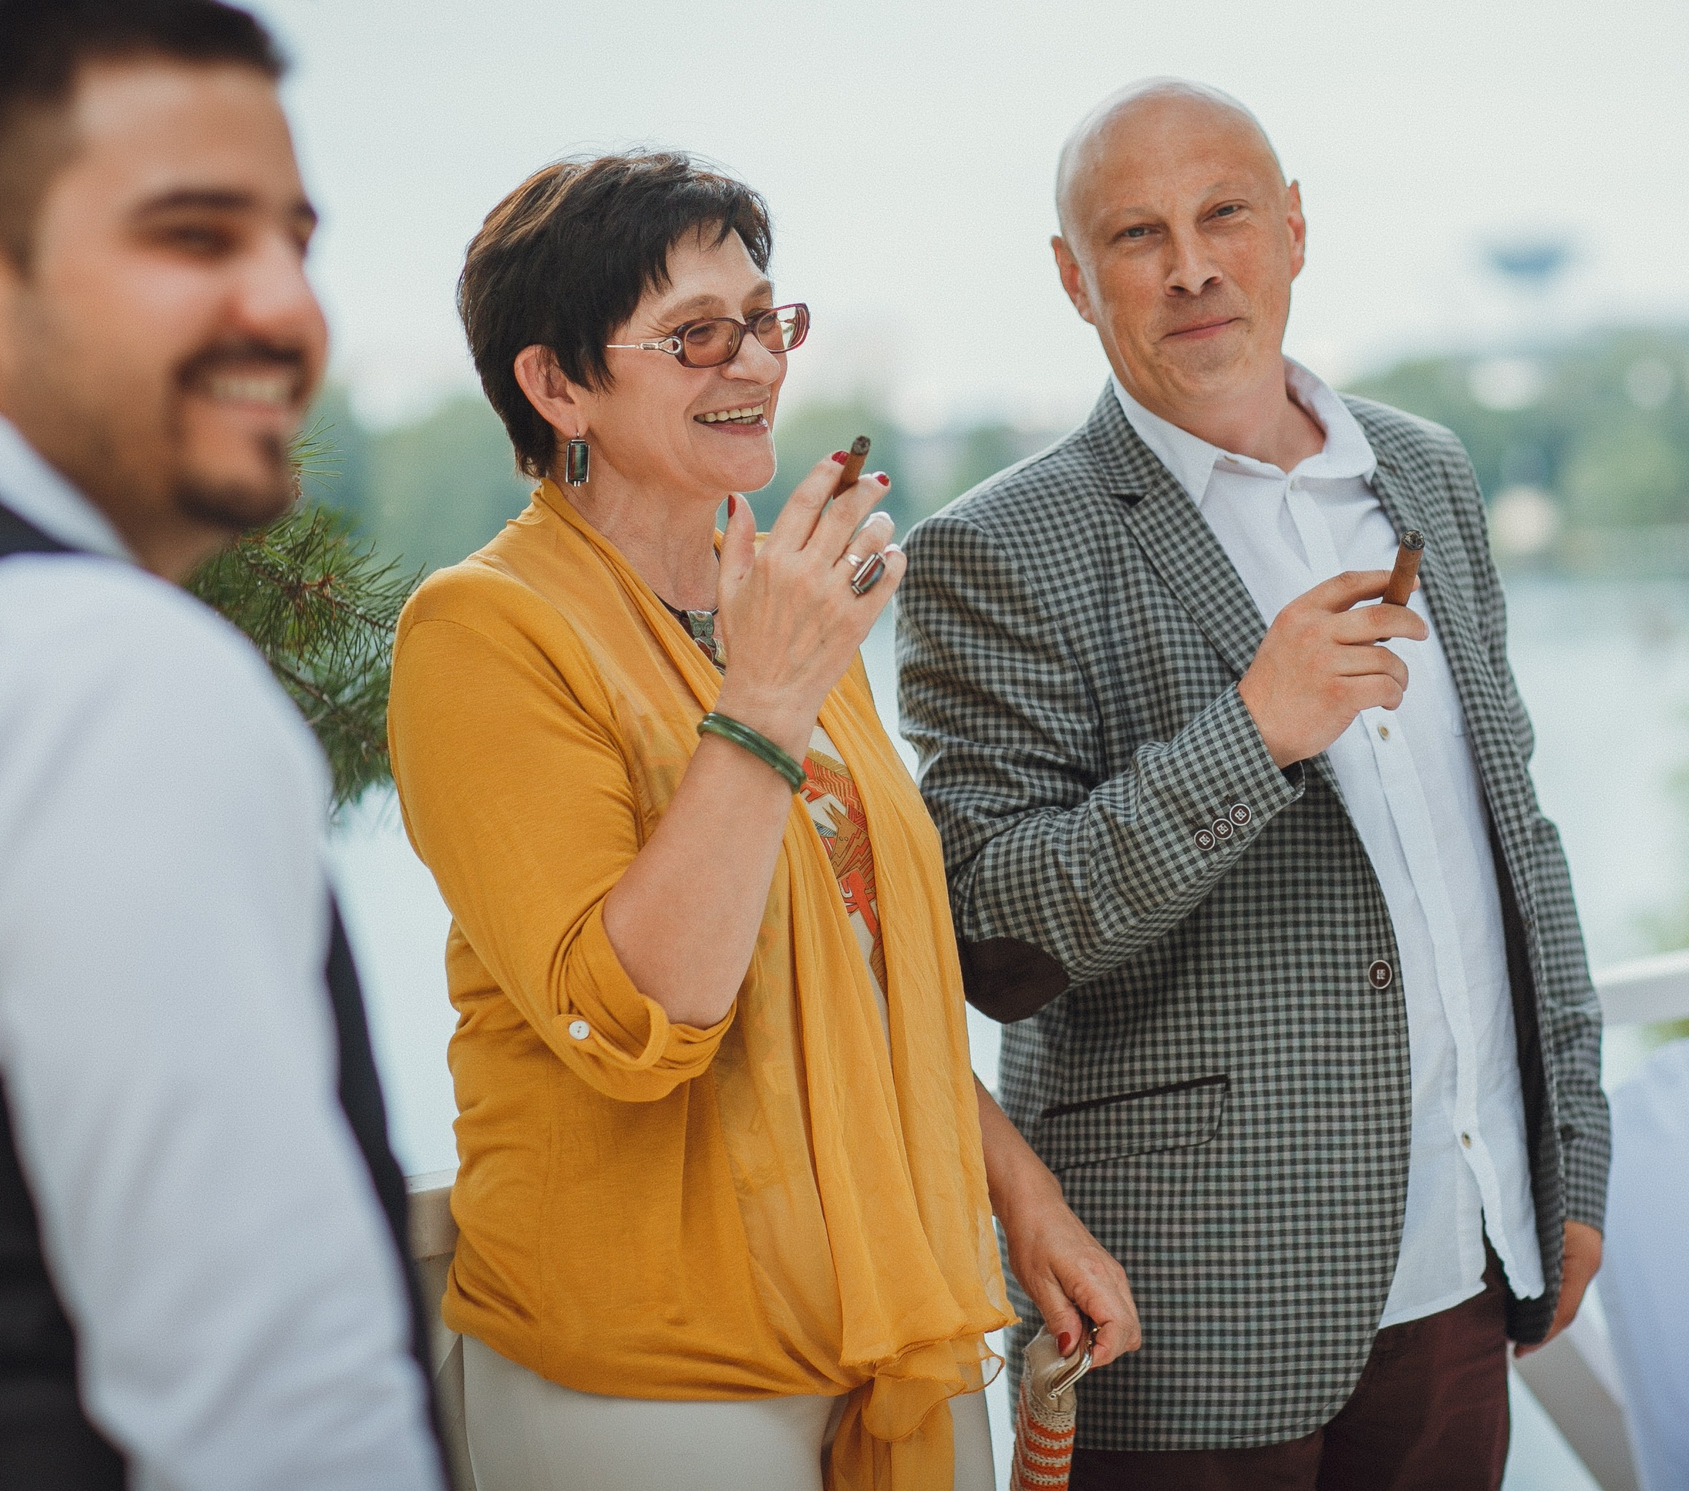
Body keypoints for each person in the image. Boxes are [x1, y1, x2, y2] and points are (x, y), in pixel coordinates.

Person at [894, 79, 1609, 1489]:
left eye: (1223, 214)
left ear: (1292, 229)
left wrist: (1571, 1154)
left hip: (1466, 1267)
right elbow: (992, 937)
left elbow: (1518, 837)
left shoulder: (1427, 473)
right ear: (1073, 279)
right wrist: (1253, 730)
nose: (1192, 267)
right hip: (1184, 1316)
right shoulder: (995, 549)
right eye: (1137, 234)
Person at [387, 150, 1137, 1491]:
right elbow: (638, 1011)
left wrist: (1022, 1196)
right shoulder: (484, 631)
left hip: (885, 1314)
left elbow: (858, 969)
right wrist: (767, 697)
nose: (756, 362)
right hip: (650, 1368)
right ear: (557, 385)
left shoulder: (773, 603)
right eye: (695, 335)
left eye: (764, 319)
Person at [0, 0, 443, 1488]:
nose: (285, 308)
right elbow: (273, 1403)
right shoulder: (88, 671)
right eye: (194, 237)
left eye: (296, 241)